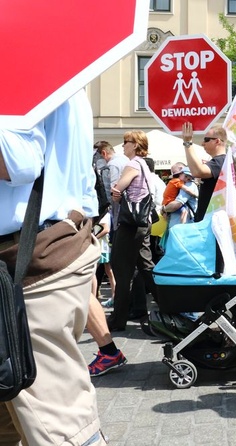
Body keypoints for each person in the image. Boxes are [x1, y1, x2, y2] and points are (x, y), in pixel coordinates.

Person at [0, 89, 106, 444]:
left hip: (27, 267)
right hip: (44, 255)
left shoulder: (14, 64)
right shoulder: (64, 75)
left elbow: (19, 160)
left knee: (59, 428)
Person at [106, 130, 157, 332]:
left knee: (122, 270)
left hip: (130, 223)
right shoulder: (144, 164)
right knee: (145, 266)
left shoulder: (133, 164)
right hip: (143, 223)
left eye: (126, 142)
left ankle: (118, 319)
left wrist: (116, 193)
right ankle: (170, 306)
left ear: (135, 145)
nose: (123, 145)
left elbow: (118, 188)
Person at [180, 123, 227, 222]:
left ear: (217, 141)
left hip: (212, 223)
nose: (202, 143)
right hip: (213, 221)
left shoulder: (220, 161)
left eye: (206, 140)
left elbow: (197, 171)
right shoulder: (224, 161)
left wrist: (187, 143)